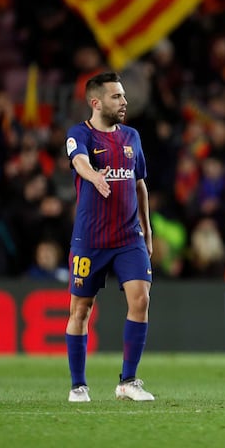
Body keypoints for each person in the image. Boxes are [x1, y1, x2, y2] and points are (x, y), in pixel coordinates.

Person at [64, 71, 155, 403]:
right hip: (90, 240)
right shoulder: (80, 134)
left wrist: (147, 229)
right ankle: (78, 385)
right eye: (116, 96)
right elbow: (79, 161)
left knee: (141, 300)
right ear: (96, 102)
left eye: (123, 95)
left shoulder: (132, 137)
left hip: (129, 237)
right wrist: (94, 177)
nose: (124, 101)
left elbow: (140, 184)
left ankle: (128, 381)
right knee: (81, 310)